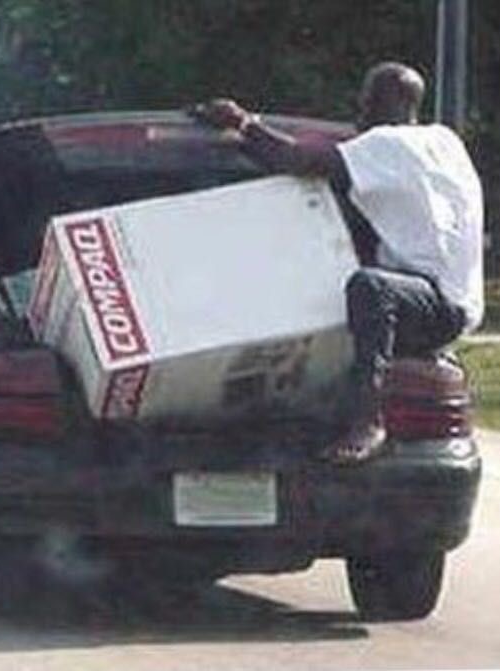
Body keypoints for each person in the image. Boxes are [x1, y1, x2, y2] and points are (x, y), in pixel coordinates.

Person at [192, 61, 484, 463]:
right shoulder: (444, 141)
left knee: (370, 287)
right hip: (452, 306)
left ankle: (368, 420)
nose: (359, 111)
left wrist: (242, 122)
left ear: (389, 102)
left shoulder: (387, 144)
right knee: (366, 274)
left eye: (367, 100)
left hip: (435, 305)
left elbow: (295, 160)